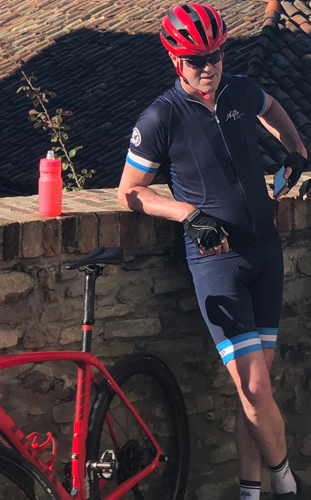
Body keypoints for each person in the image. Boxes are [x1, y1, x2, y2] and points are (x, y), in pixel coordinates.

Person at [118, 4, 309, 500]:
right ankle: (287, 484)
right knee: (254, 390)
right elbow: (130, 193)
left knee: (256, 391)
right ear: (175, 61)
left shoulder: (241, 91)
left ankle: (250, 492)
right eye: (197, 59)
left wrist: (296, 153)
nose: (210, 67)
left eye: (217, 55)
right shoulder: (161, 116)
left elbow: (275, 111)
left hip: (265, 252)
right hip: (217, 262)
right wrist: (186, 214)